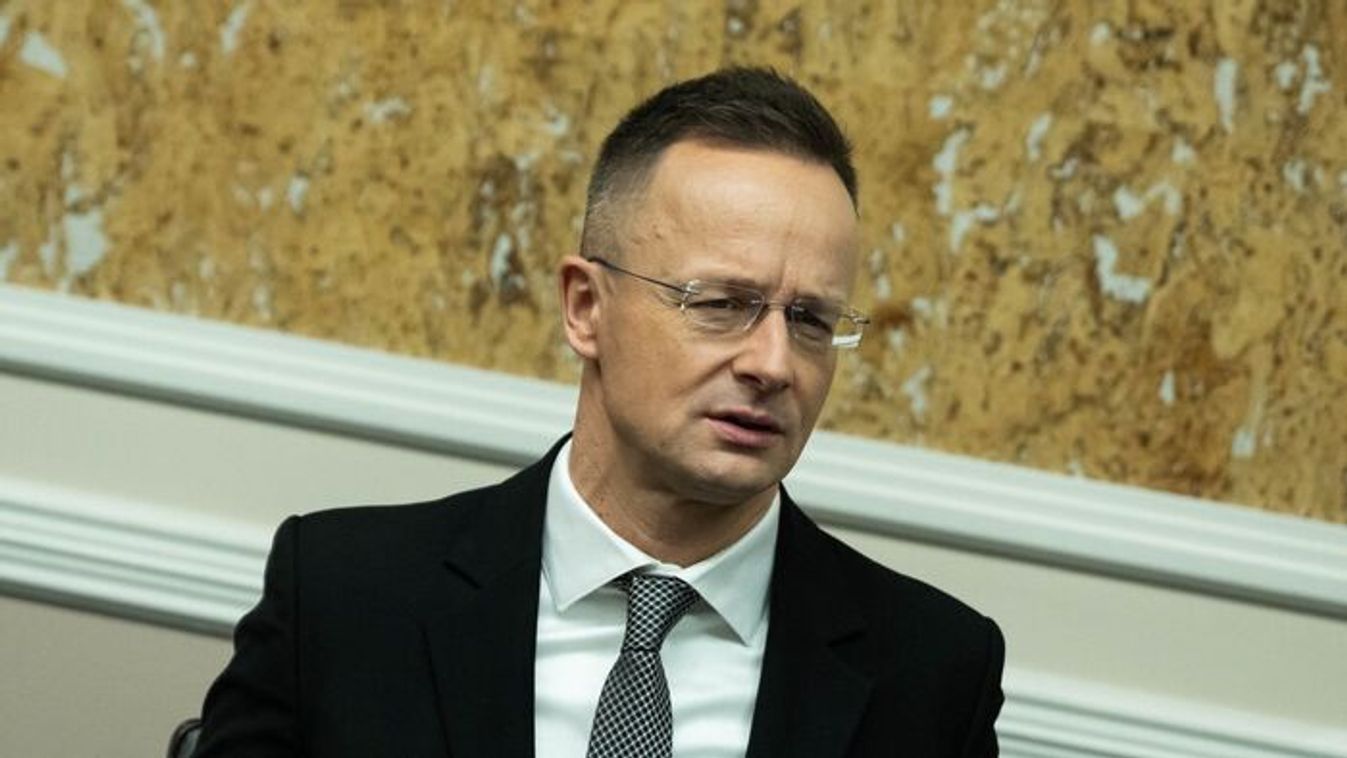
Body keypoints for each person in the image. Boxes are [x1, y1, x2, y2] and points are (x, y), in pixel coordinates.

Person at [195, 67, 1004, 758]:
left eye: (810, 320)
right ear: (585, 307)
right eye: (720, 304)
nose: (771, 364)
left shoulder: (931, 673)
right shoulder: (343, 596)